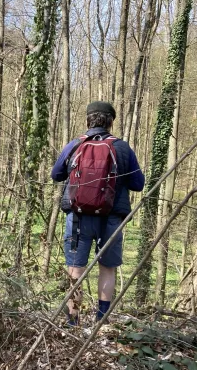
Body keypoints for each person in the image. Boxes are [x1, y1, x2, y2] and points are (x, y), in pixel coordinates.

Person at [51, 101, 145, 325]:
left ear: (88, 120)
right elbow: (138, 184)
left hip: (78, 218)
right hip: (111, 218)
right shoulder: (122, 148)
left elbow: (56, 175)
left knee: (75, 270)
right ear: (111, 122)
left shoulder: (75, 145)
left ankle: (73, 322)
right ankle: (101, 321)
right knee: (108, 269)